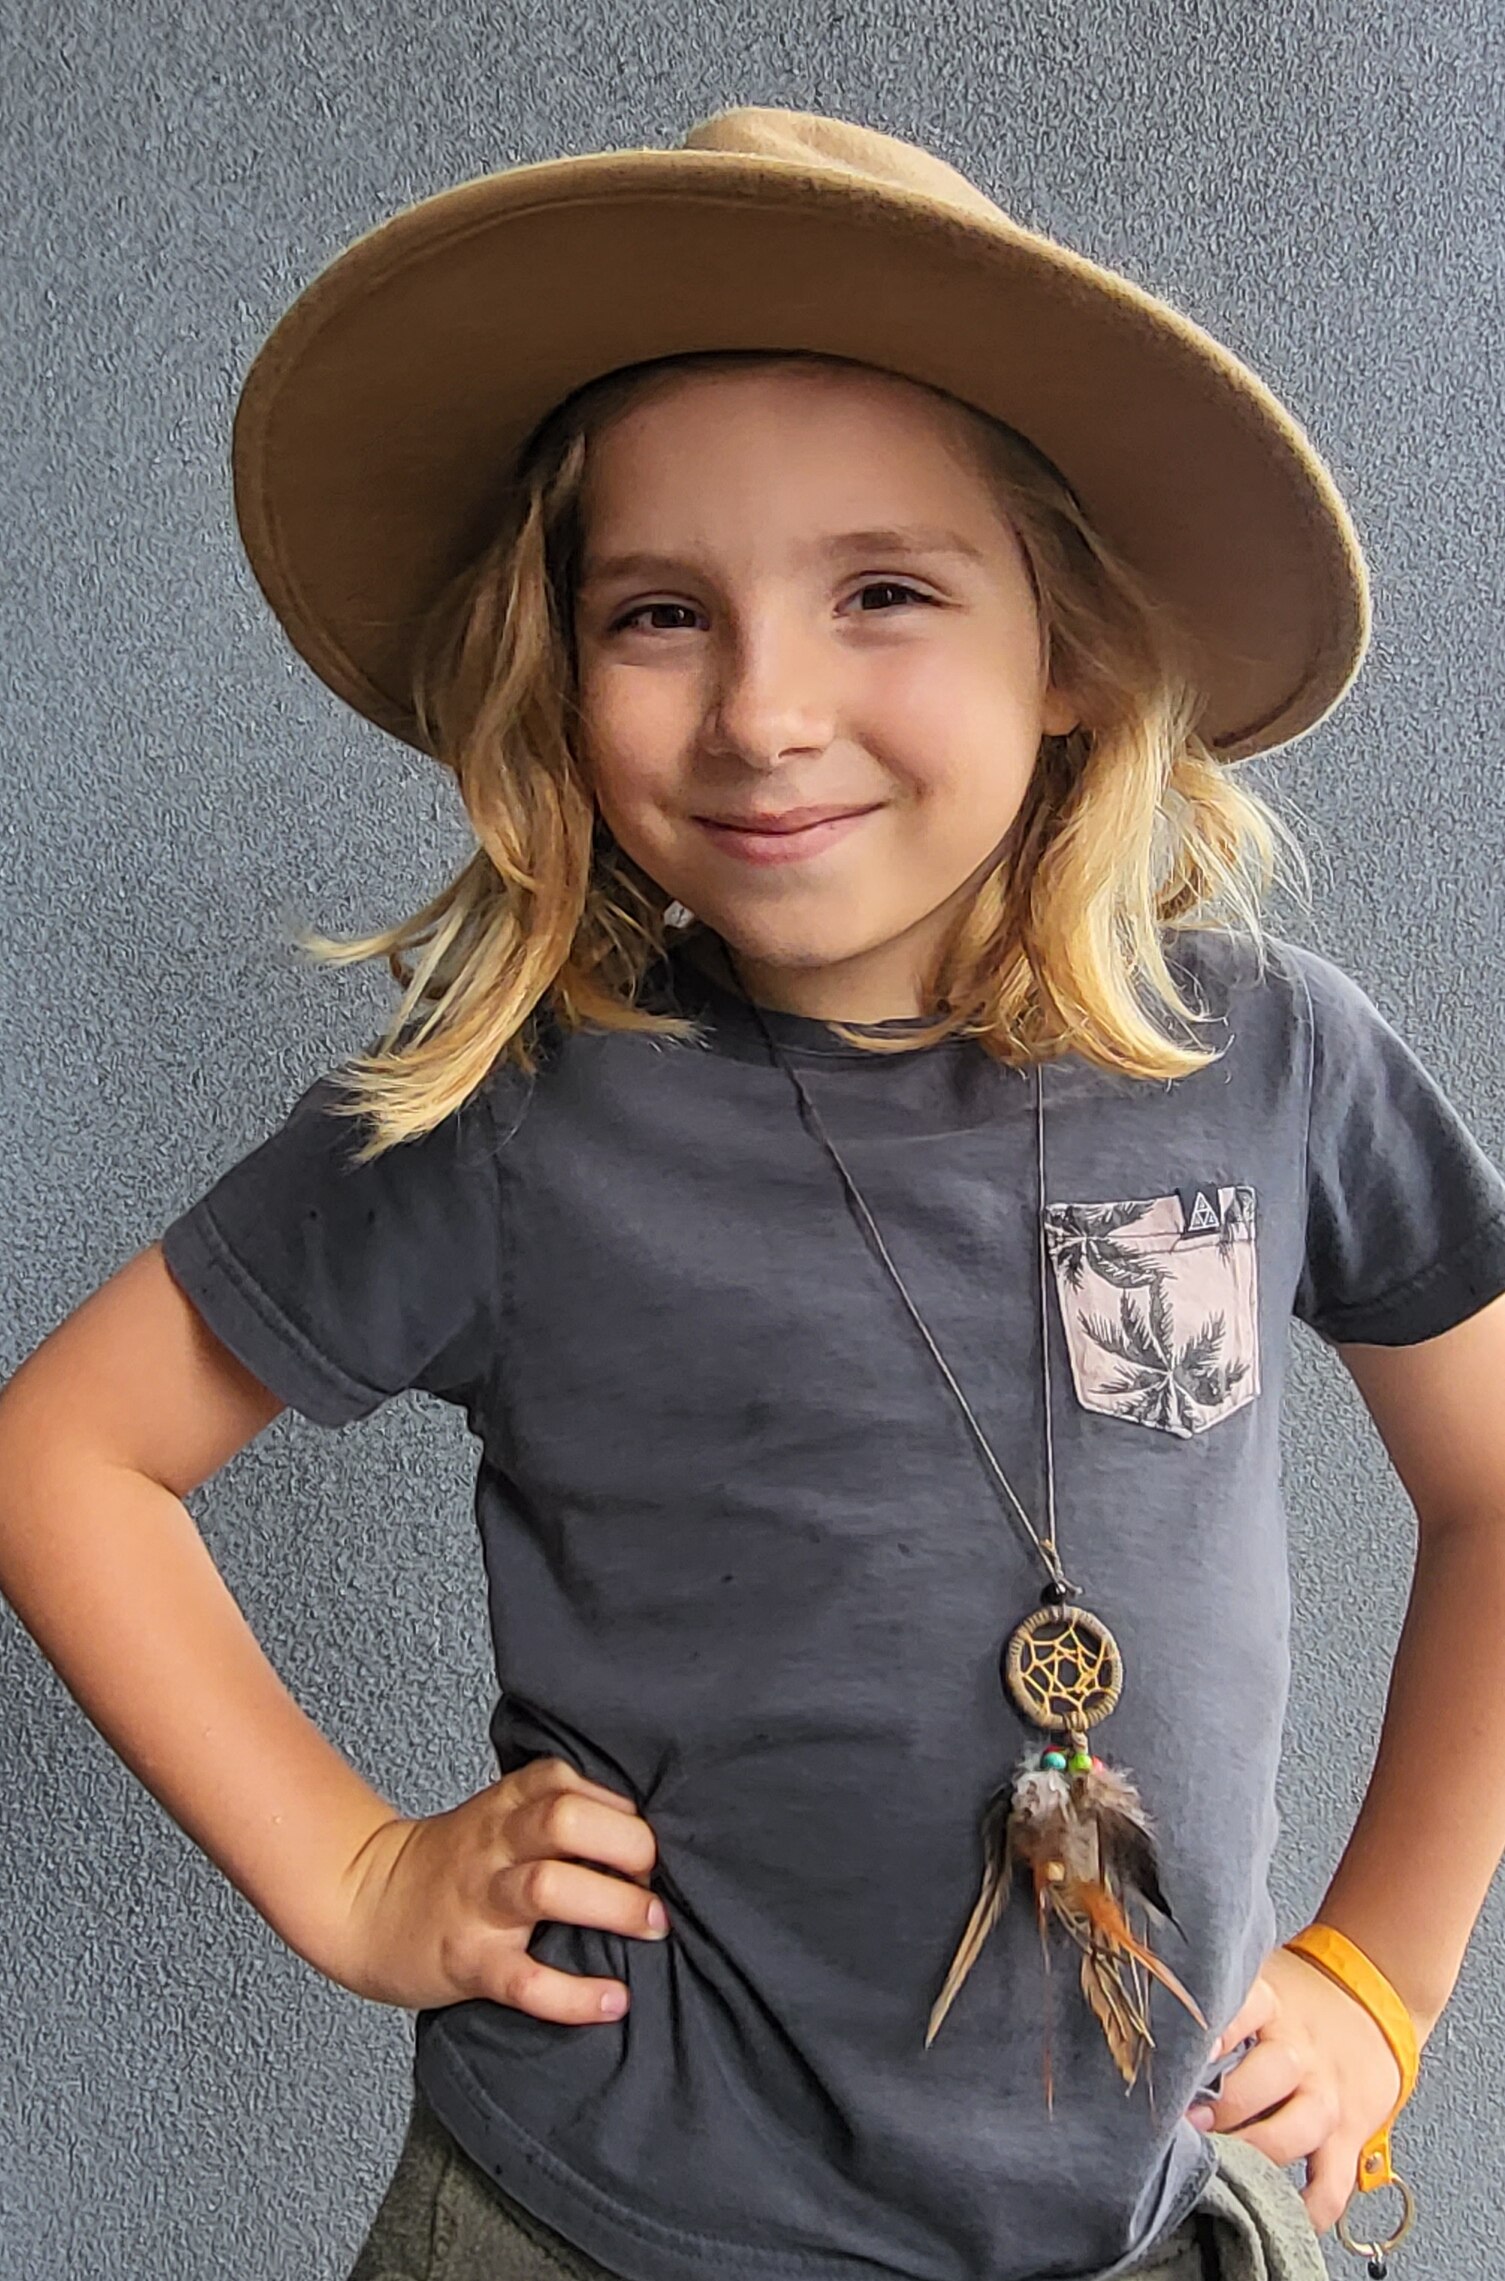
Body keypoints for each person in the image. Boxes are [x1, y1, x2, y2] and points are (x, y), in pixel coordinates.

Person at [3, 104, 1503, 2281]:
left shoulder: (1268, 1056)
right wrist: (350, 1878)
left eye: (883, 589)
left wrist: (1387, 1975)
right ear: (557, 666)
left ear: (1067, 647)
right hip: (590, 2223)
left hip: (1149, 2221)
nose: (766, 708)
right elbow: (69, 1454)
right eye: (660, 612)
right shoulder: (519, 1112)